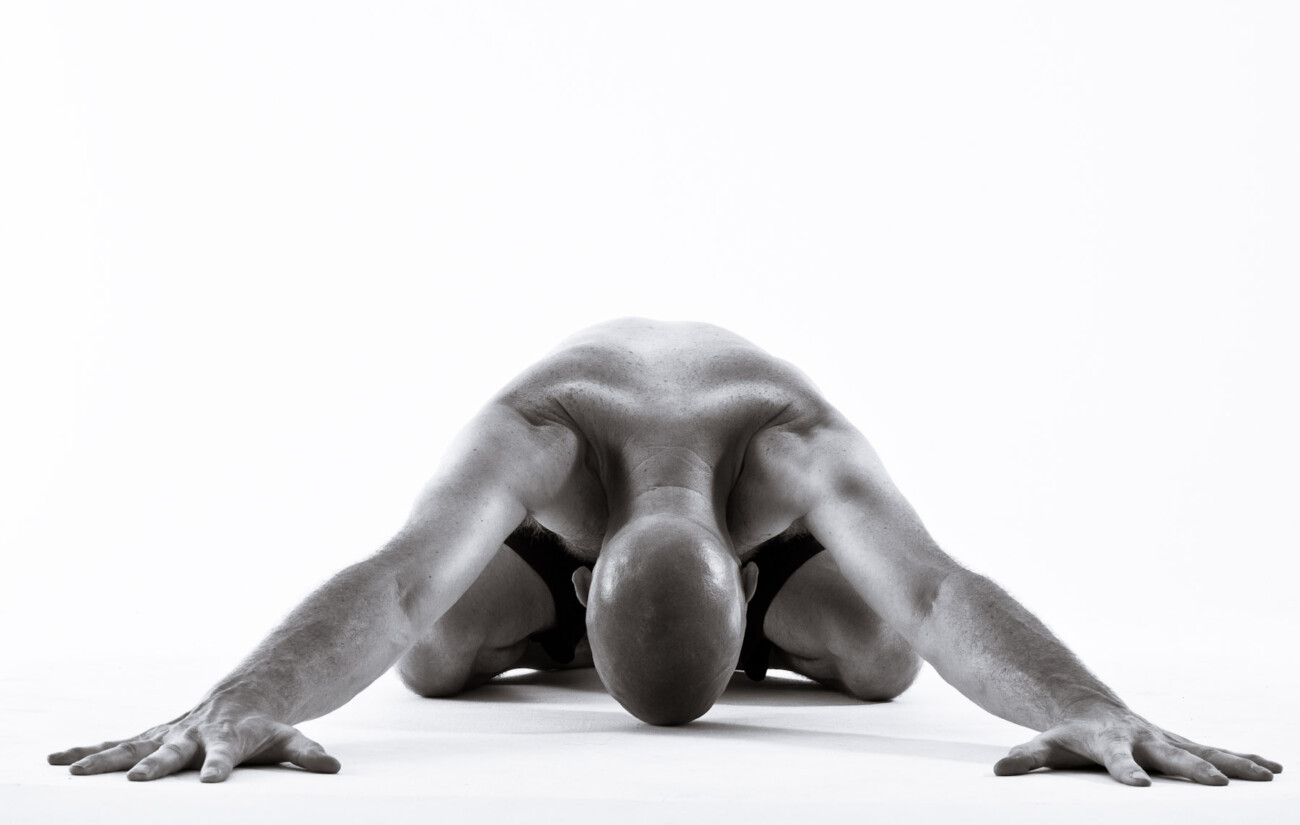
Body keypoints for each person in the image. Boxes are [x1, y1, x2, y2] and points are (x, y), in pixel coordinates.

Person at [48, 319, 1282, 786]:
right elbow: (402, 576)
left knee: (880, 657)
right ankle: (582, 637)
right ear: (578, 580)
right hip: (573, 557)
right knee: (429, 652)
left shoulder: (795, 443)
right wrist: (249, 695)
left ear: (750, 577)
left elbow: (933, 587)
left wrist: (1083, 705)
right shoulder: (540, 429)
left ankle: (700, 644)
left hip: (732, 573)